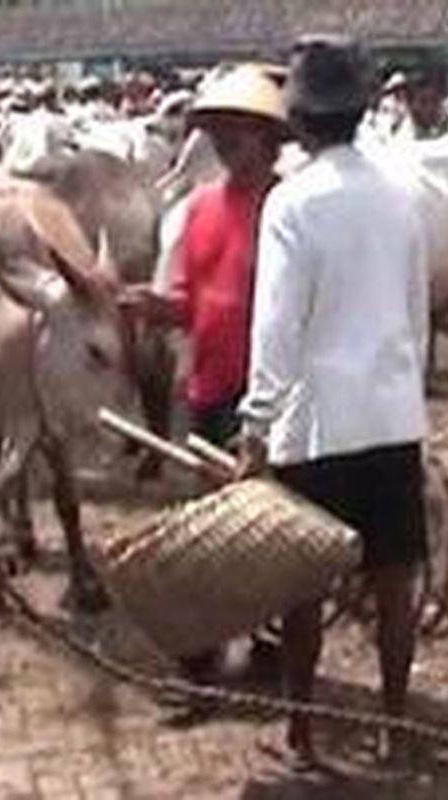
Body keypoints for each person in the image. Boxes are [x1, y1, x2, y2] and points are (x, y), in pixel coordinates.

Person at [237, 34, 429, 764]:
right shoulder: (400, 199)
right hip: (390, 417)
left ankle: (302, 733)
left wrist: (256, 425)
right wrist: (405, 398)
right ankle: (395, 728)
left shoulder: (292, 203)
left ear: (301, 122)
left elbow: (277, 327)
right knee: (393, 588)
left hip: (314, 427)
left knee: (302, 590)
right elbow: (415, 317)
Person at [121, 64, 289, 685]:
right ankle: (212, 645)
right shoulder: (199, 208)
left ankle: (266, 638)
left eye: (236, 130)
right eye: (216, 130)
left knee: (263, 523)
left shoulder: (286, 207)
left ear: (271, 138)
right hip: (209, 383)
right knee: (211, 520)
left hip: (266, 394)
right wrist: (154, 306)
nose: (222, 142)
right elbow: (194, 302)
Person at [396, 65, 448, 140]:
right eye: (423, 102)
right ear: (410, 104)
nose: (430, 108)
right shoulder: (402, 139)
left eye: (435, 100)